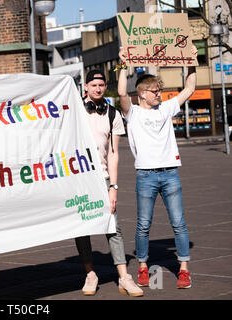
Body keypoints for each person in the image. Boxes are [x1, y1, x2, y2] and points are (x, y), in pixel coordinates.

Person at [117, 46, 197, 289]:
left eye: (160, 90)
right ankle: (143, 267)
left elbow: (190, 88)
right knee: (143, 224)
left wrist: (191, 62)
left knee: (179, 223)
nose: (159, 94)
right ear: (142, 94)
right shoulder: (133, 113)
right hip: (146, 175)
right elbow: (121, 92)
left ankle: (184, 270)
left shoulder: (166, 108)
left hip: (170, 172)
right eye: (155, 91)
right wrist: (122, 65)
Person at [75, 70, 143, 297]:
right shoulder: (74, 111)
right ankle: (90, 274)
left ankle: (124, 277)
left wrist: (113, 187)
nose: (97, 88)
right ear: (85, 87)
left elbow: (113, 154)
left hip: (103, 178)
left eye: (101, 85)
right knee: (82, 228)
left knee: (113, 226)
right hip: (79, 178)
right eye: (93, 85)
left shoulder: (112, 114)